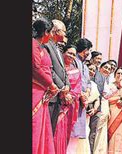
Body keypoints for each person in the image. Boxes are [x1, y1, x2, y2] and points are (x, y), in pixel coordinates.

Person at [32, 18, 59, 154]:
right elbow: (36, 69)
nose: (52, 36)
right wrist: (51, 84)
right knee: (35, 128)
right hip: (35, 92)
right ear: (45, 32)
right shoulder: (33, 45)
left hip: (42, 92)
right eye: (51, 32)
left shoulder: (41, 47)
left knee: (42, 129)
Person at [45, 19, 71, 135]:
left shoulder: (58, 49)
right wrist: (61, 86)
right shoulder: (46, 46)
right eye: (63, 31)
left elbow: (63, 71)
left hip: (59, 97)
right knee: (46, 130)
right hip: (51, 95)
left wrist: (67, 86)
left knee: (51, 131)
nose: (65, 34)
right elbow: (49, 69)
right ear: (56, 31)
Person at [53, 45, 81, 154]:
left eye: (74, 54)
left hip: (69, 107)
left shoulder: (76, 71)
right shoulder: (57, 68)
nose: (71, 56)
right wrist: (63, 94)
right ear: (63, 53)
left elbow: (77, 88)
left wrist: (70, 96)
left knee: (64, 134)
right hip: (56, 103)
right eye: (69, 53)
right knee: (55, 132)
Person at [68, 38, 93, 153]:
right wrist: (81, 95)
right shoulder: (73, 61)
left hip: (82, 103)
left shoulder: (85, 66)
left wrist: (87, 93)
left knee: (77, 134)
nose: (89, 53)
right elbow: (72, 80)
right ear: (84, 49)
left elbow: (88, 83)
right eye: (89, 50)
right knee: (71, 131)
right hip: (73, 101)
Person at [104, 67, 122, 154]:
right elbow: (106, 98)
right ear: (114, 75)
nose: (120, 75)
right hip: (111, 112)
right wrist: (119, 98)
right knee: (111, 133)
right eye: (118, 73)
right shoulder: (109, 85)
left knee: (121, 134)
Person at [90, 61, 113, 152]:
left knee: (101, 133)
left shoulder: (108, 81)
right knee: (94, 131)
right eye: (105, 67)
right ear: (100, 68)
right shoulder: (95, 77)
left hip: (105, 107)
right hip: (97, 107)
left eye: (109, 69)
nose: (107, 70)